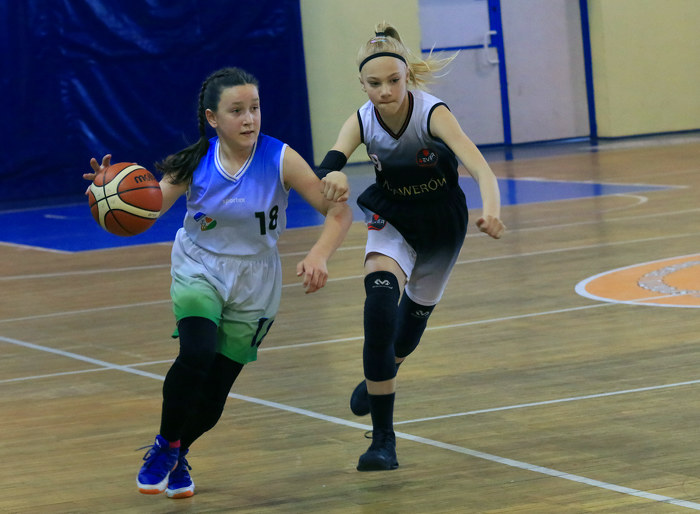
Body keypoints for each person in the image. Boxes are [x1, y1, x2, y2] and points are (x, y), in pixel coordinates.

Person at [84, 67, 352, 498]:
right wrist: (107, 192)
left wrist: (319, 254)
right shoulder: (194, 162)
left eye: (255, 108)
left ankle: (179, 452)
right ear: (212, 118)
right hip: (200, 266)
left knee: (214, 394)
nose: (249, 119)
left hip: (257, 278)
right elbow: (148, 208)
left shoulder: (280, 158)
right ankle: (164, 446)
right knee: (196, 353)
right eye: (237, 110)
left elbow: (338, 211)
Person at [317, 22, 506, 471]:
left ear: (408, 76)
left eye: (393, 80)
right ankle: (384, 440)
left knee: (403, 336)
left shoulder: (431, 114)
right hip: (392, 217)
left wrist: (492, 210)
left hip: (441, 224)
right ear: (362, 84)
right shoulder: (362, 119)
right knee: (379, 311)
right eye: (374, 83)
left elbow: (481, 169)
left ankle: (386, 368)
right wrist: (333, 174)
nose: (385, 91)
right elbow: (329, 162)